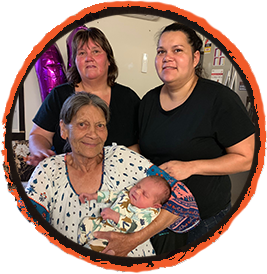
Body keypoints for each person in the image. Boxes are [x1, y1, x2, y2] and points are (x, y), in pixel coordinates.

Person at [128, 22, 255, 253]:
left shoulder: (218, 99)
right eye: (161, 51)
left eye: (177, 50)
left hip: (206, 219)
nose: (167, 57)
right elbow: (143, 147)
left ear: (196, 58)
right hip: (158, 215)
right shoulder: (148, 101)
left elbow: (246, 158)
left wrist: (191, 167)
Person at [25, 92, 200, 257]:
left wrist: (133, 240)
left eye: (100, 125)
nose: (93, 134)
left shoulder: (123, 158)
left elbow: (184, 202)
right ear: (64, 129)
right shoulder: (48, 170)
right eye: (82, 124)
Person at [28, 27, 140, 166]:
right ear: (75, 62)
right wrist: (40, 151)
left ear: (109, 60)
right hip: (67, 176)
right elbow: (38, 135)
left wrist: (116, 160)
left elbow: (142, 143)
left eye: (96, 51)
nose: (88, 58)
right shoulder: (59, 95)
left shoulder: (128, 98)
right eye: (82, 53)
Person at [77, 176, 171, 255]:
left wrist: (116, 217)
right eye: (138, 186)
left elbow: (134, 226)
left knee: (96, 247)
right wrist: (94, 196)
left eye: (144, 194)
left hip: (114, 236)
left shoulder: (148, 212)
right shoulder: (128, 194)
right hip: (101, 224)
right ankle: (80, 244)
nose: (137, 191)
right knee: (86, 222)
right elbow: (112, 195)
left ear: (155, 205)